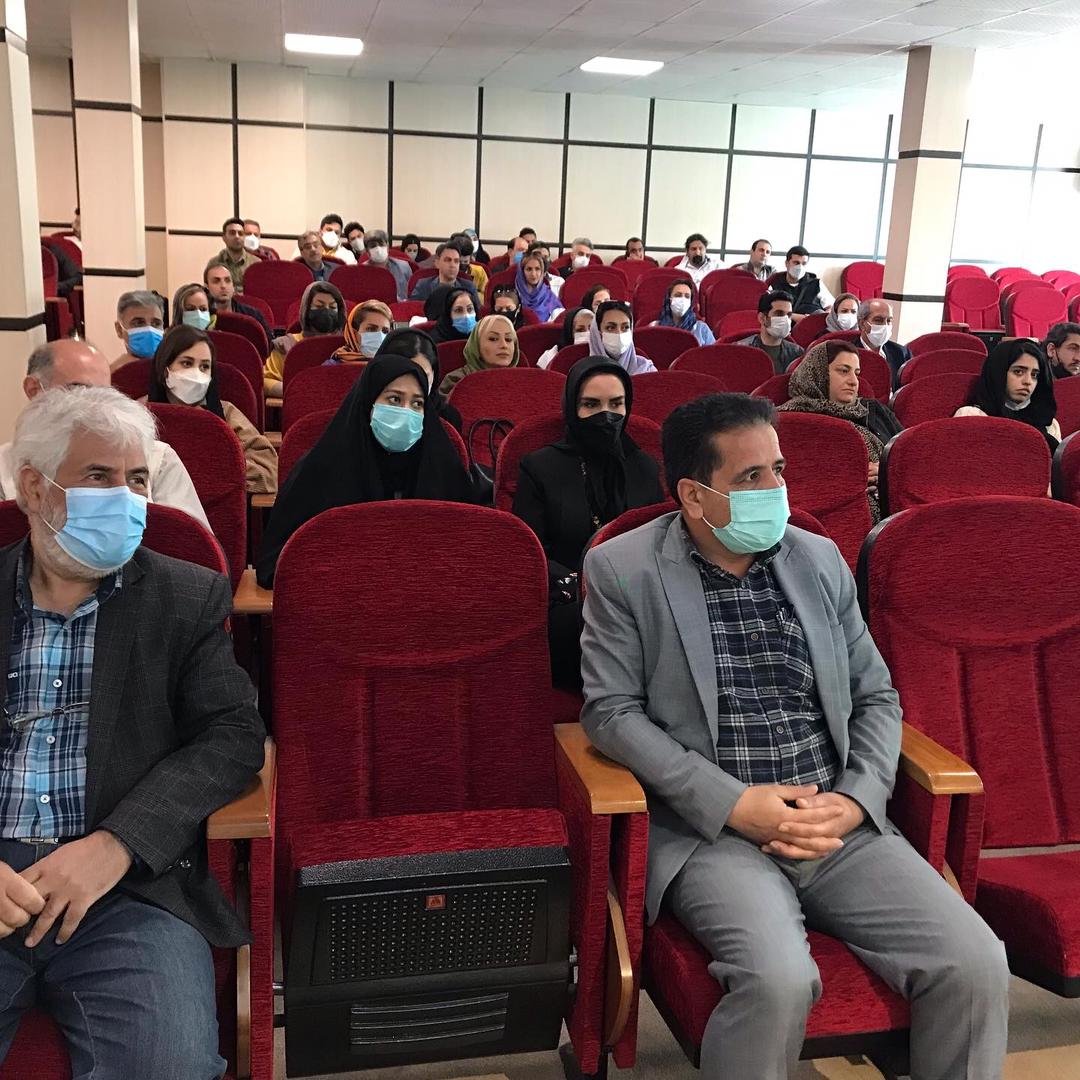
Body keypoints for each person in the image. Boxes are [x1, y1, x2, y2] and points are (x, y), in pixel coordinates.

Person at [580, 391, 1010, 1080]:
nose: (775, 489)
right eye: (751, 477)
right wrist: (731, 803)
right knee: (778, 980)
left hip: (835, 818)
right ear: (694, 495)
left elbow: (876, 695)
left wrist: (858, 799)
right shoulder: (625, 569)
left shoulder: (818, 559)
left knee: (976, 960)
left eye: (778, 470)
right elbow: (610, 712)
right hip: (715, 831)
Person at [0, 385, 265, 1077]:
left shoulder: (185, 595)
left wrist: (119, 844)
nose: (124, 497)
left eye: (138, 479)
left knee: (167, 1065)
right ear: (35, 486)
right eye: (98, 476)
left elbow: (233, 733)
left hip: (127, 890)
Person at [256, 353, 474, 585]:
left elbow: (469, 556)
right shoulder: (322, 469)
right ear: (368, 403)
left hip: (427, 594)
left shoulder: (441, 468)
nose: (406, 411)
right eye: (394, 399)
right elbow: (279, 563)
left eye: (417, 404)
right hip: (343, 593)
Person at [514, 355, 664, 688]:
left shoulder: (644, 467)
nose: (605, 416)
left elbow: (659, 541)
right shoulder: (540, 467)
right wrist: (586, 587)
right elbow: (529, 552)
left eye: (616, 404)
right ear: (572, 407)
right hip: (571, 598)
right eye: (591, 405)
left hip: (638, 595)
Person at [0, 341, 210, 531]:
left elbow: (193, 546)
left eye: (105, 394)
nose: (97, 407)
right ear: (34, 390)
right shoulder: (4, 468)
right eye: (80, 391)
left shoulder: (157, 458)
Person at [779, 341, 902, 521]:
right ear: (818, 373)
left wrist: (887, 471)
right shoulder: (791, 422)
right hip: (834, 516)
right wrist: (855, 477)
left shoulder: (874, 410)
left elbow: (910, 458)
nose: (853, 381)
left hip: (891, 505)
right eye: (844, 371)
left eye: (856, 373)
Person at [146, 326, 277, 495]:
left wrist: (214, 469)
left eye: (204, 367)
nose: (196, 373)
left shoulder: (226, 414)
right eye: (187, 363)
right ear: (166, 371)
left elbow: (269, 471)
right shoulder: (139, 414)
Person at [955, 340, 1060, 449]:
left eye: (1034, 375)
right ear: (998, 373)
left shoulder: (1048, 424)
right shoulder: (973, 416)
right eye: (1018, 372)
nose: (1028, 381)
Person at [262, 282, 346, 396]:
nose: (326, 311)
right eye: (319, 306)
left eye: (332, 307)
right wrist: (301, 391)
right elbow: (266, 381)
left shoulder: (348, 346)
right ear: (306, 310)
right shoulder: (287, 344)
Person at [379, 327, 462, 431]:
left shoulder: (448, 419)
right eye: (402, 374)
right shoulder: (365, 413)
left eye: (423, 375)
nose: (413, 383)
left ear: (433, 375)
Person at [438, 313, 519, 395]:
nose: (504, 345)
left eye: (508, 339)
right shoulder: (456, 381)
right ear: (476, 345)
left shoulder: (522, 379)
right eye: (493, 339)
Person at [203, 261, 272, 345]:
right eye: (216, 281)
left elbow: (268, 346)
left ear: (233, 286)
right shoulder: (202, 317)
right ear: (207, 287)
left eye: (227, 280)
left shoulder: (253, 316)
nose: (223, 286)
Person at [738, 291, 803, 374]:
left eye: (789, 315)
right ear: (762, 318)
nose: (786, 320)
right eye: (779, 314)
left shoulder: (798, 353)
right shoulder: (741, 350)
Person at [766, 246, 833, 321]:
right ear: (787, 263)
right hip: (785, 325)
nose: (800, 267)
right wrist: (800, 318)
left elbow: (832, 307)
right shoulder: (774, 283)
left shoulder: (816, 283)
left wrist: (821, 318)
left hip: (814, 324)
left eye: (803, 263)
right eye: (796, 263)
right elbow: (769, 312)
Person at [589, 301, 655, 374]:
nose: (619, 333)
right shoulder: (585, 373)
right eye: (610, 328)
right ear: (598, 332)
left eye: (625, 327)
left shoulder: (647, 370)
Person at [857, 299, 911, 388]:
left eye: (889, 320)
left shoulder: (901, 353)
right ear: (862, 324)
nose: (885, 325)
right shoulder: (848, 353)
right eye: (878, 320)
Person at [111, 290, 165, 373]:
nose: (149, 329)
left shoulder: (173, 372)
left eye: (156, 323)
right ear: (119, 329)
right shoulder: (111, 376)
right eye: (139, 323)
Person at [409, 244, 480, 307]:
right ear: (437, 263)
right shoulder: (423, 285)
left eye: (456, 261)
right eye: (448, 260)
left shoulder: (469, 287)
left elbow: (478, 314)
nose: (452, 265)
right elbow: (413, 310)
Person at [650, 279, 715, 347]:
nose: (682, 300)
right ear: (669, 299)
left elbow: (712, 352)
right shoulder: (655, 327)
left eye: (687, 296)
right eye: (678, 295)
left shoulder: (701, 328)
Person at [328, 300, 393, 363]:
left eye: (385, 331)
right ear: (353, 333)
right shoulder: (332, 366)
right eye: (371, 329)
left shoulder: (393, 365)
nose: (379, 336)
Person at [212, 216, 260, 289]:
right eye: (232, 233)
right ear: (224, 238)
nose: (237, 236)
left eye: (240, 233)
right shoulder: (214, 263)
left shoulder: (256, 263)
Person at [362, 229, 411, 300]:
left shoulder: (403, 267)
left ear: (387, 246)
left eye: (381, 244)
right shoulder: (361, 271)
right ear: (367, 251)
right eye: (373, 246)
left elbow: (411, 295)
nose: (378, 249)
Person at [516, 252, 563, 323]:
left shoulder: (550, 297)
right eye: (529, 269)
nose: (533, 274)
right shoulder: (515, 294)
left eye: (537, 269)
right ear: (522, 272)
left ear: (543, 272)